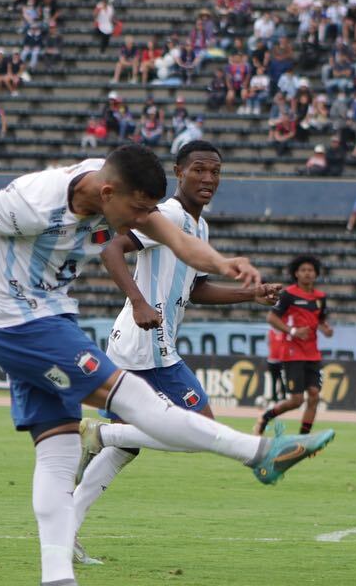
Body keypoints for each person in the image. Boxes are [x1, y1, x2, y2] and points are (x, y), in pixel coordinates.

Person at [0, 145, 335, 586]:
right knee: (134, 399)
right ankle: (257, 453)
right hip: (20, 325)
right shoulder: (32, 203)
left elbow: (179, 242)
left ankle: (57, 577)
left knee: (56, 454)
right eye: (138, 213)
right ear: (108, 194)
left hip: (52, 316)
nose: (142, 222)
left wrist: (227, 264)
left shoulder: (122, 193)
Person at [71, 142, 285, 562]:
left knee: (125, 450)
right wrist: (137, 301)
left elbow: (197, 289)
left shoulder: (196, 228)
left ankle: (66, 530)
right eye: (199, 170)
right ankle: (100, 432)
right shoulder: (165, 214)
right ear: (178, 172)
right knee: (200, 429)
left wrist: (249, 295)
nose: (208, 179)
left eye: (215, 172)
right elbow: (110, 249)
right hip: (144, 345)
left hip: (151, 343)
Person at [255, 255, 333, 435]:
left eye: (310, 270)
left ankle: (304, 438)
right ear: (296, 273)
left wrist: (325, 328)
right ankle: (266, 417)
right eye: (303, 270)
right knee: (297, 400)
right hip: (293, 352)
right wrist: (292, 331)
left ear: (316, 274)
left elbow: (320, 320)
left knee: (314, 395)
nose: (307, 273)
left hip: (312, 353)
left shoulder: (321, 297)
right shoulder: (289, 294)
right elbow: (271, 318)